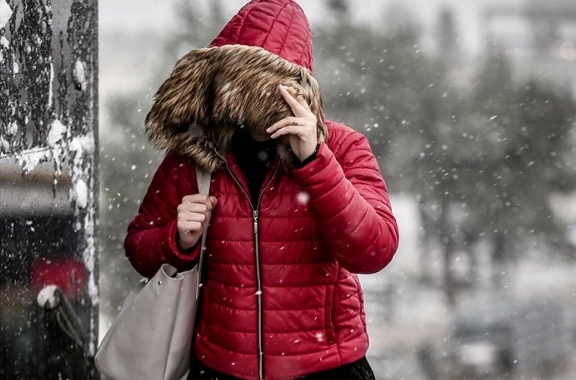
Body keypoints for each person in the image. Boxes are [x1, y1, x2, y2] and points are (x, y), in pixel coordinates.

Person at [124, 0, 399, 379]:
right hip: (221, 368)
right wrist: (177, 240)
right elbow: (138, 246)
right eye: (242, 79)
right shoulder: (197, 153)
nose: (255, 94)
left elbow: (374, 250)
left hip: (327, 369)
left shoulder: (344, 147)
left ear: (297, 85)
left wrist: (315, 162)